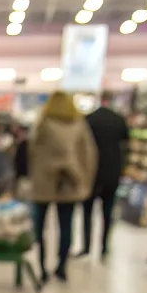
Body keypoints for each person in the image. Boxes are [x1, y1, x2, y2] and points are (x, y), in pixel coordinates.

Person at [27, 91, 97, 282]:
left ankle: (41, 266)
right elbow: (89, 154)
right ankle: (61, 266)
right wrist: (85, 180)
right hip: (70, 182)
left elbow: (32, 149)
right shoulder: (79, 125)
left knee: (40, 227)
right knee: (65, 226)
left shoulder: (43, 124)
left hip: (44, 182)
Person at [79, 90, 130, 258]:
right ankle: (104, 247)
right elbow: (126, 144)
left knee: (87, 212)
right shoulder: (118, 120)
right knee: (107, 213)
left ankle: (86, 246)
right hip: (112, 171)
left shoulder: (89, 119)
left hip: (91, 172)